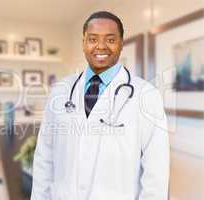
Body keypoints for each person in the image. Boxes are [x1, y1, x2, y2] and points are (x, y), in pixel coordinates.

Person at [31, 11, 169, 200]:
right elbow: (44, 157)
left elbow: (156, 171)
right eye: (93, 39)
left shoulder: (146, 95)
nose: (101, 46)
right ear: (84, 43)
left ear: (121, 44)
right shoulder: (61, 90)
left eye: (110, 40)